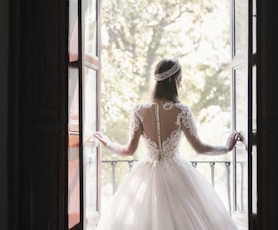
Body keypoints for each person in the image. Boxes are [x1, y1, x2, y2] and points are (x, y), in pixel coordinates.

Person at [94, 58, 242, 230]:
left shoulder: (139, 111)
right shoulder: (181, 111)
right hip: (177, 174)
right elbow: (199, 148)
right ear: (172, 80)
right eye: (180, 78)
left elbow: (128, 150)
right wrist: (226, 147)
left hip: (146, 174)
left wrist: (108, 144)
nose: (181, 82)